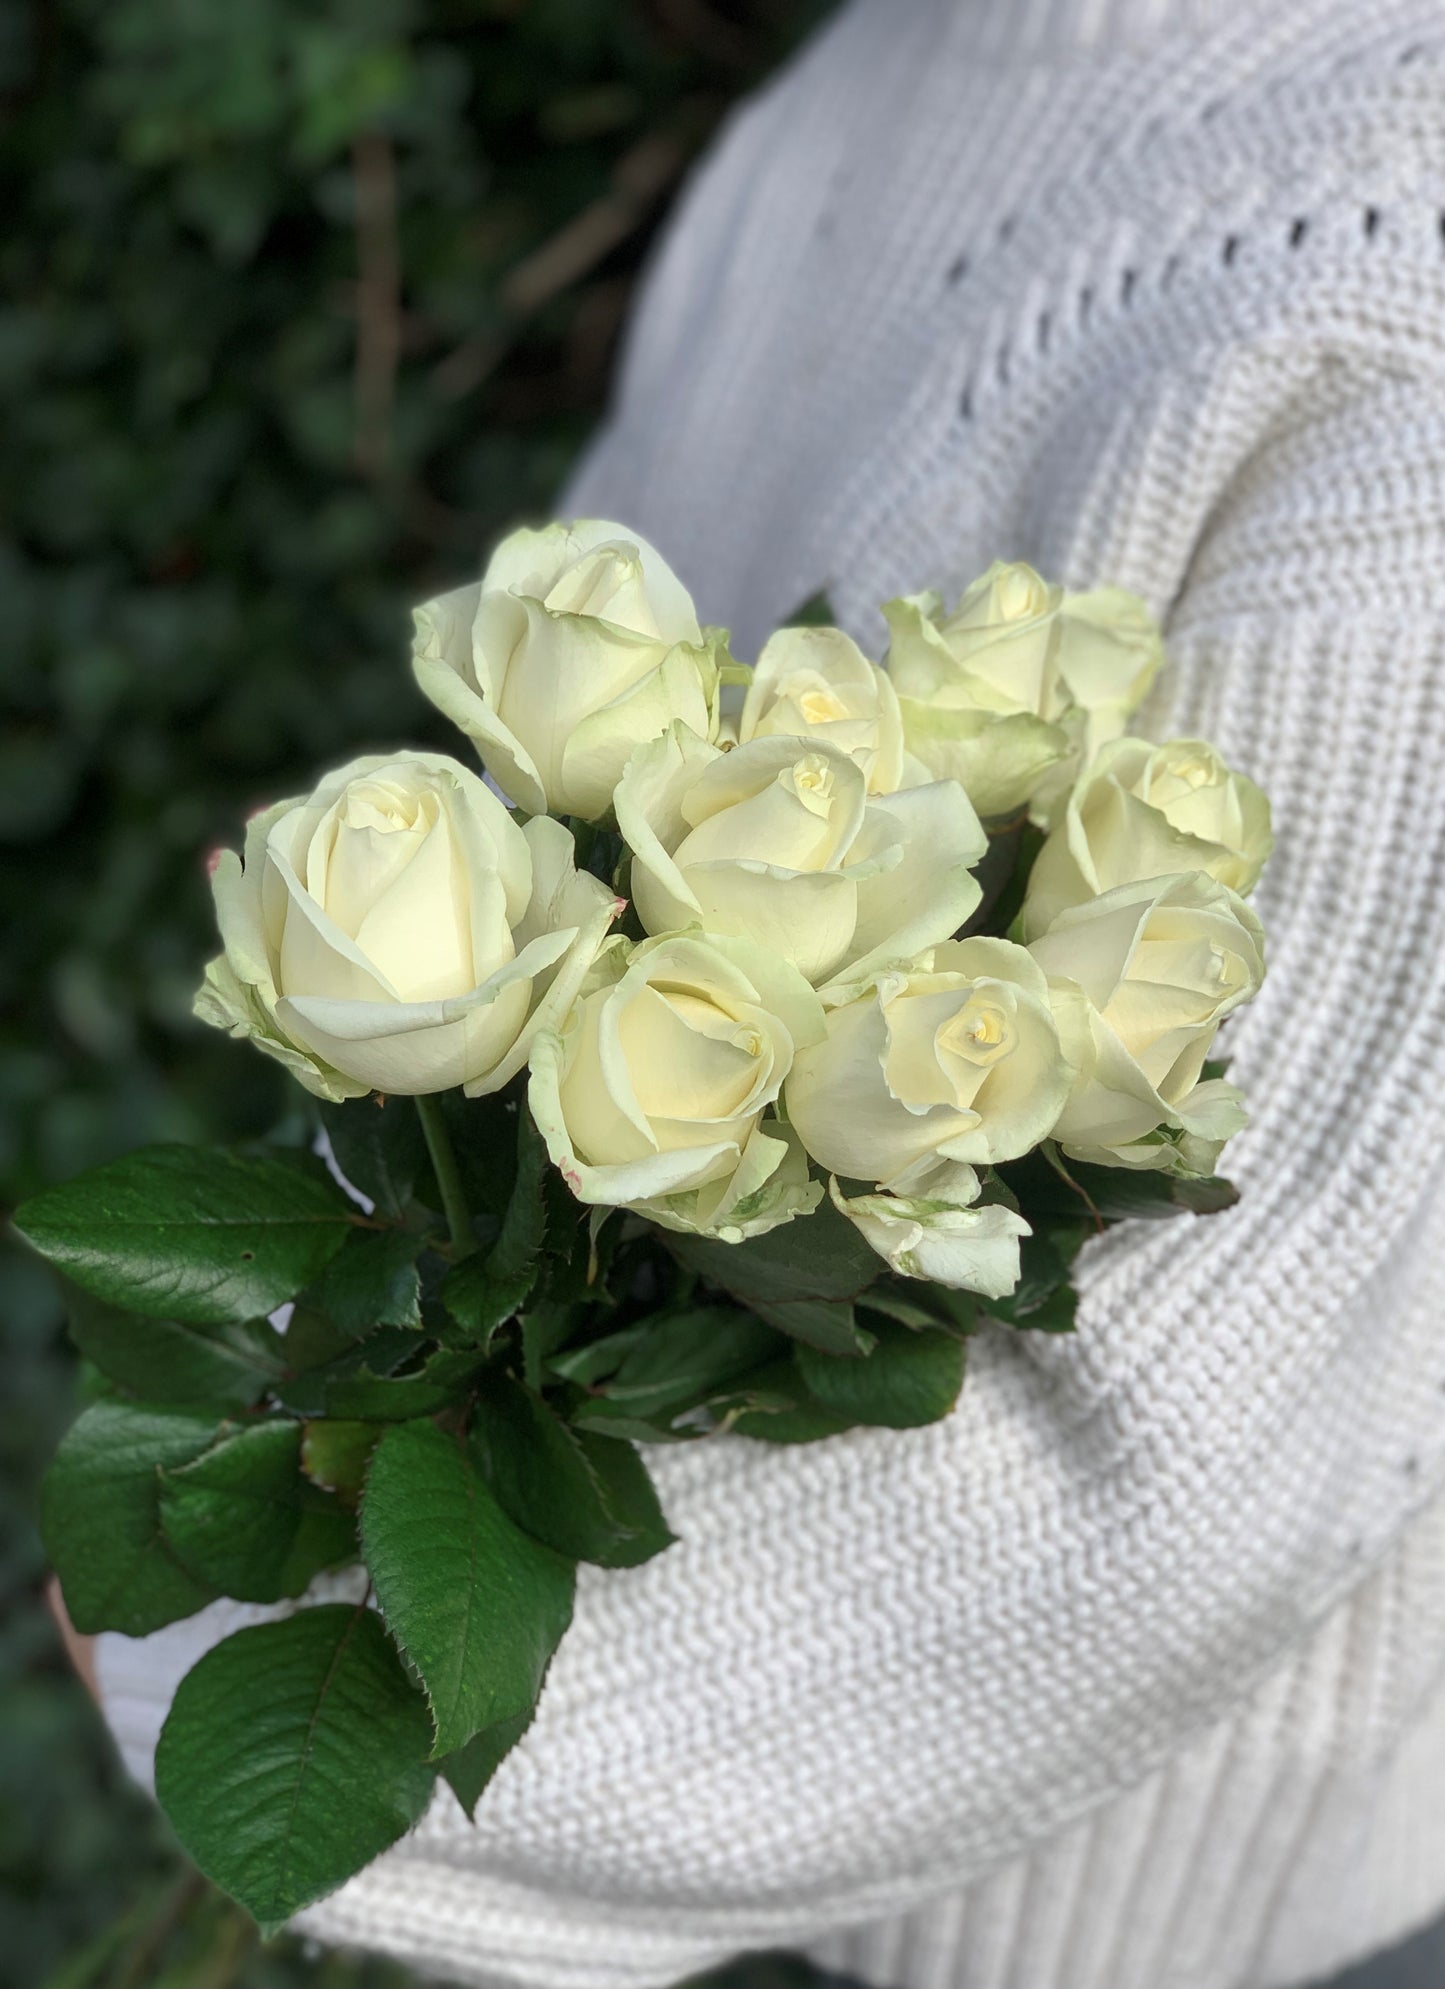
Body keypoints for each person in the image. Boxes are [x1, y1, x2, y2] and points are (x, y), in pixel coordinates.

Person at [86, 1, 1445, 1985]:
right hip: (739, 1829)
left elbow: (1194, 1454)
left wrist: (237, 1672)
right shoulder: (857, 96)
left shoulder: (1388, 278)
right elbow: (570, 744)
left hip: (1177, 1916)